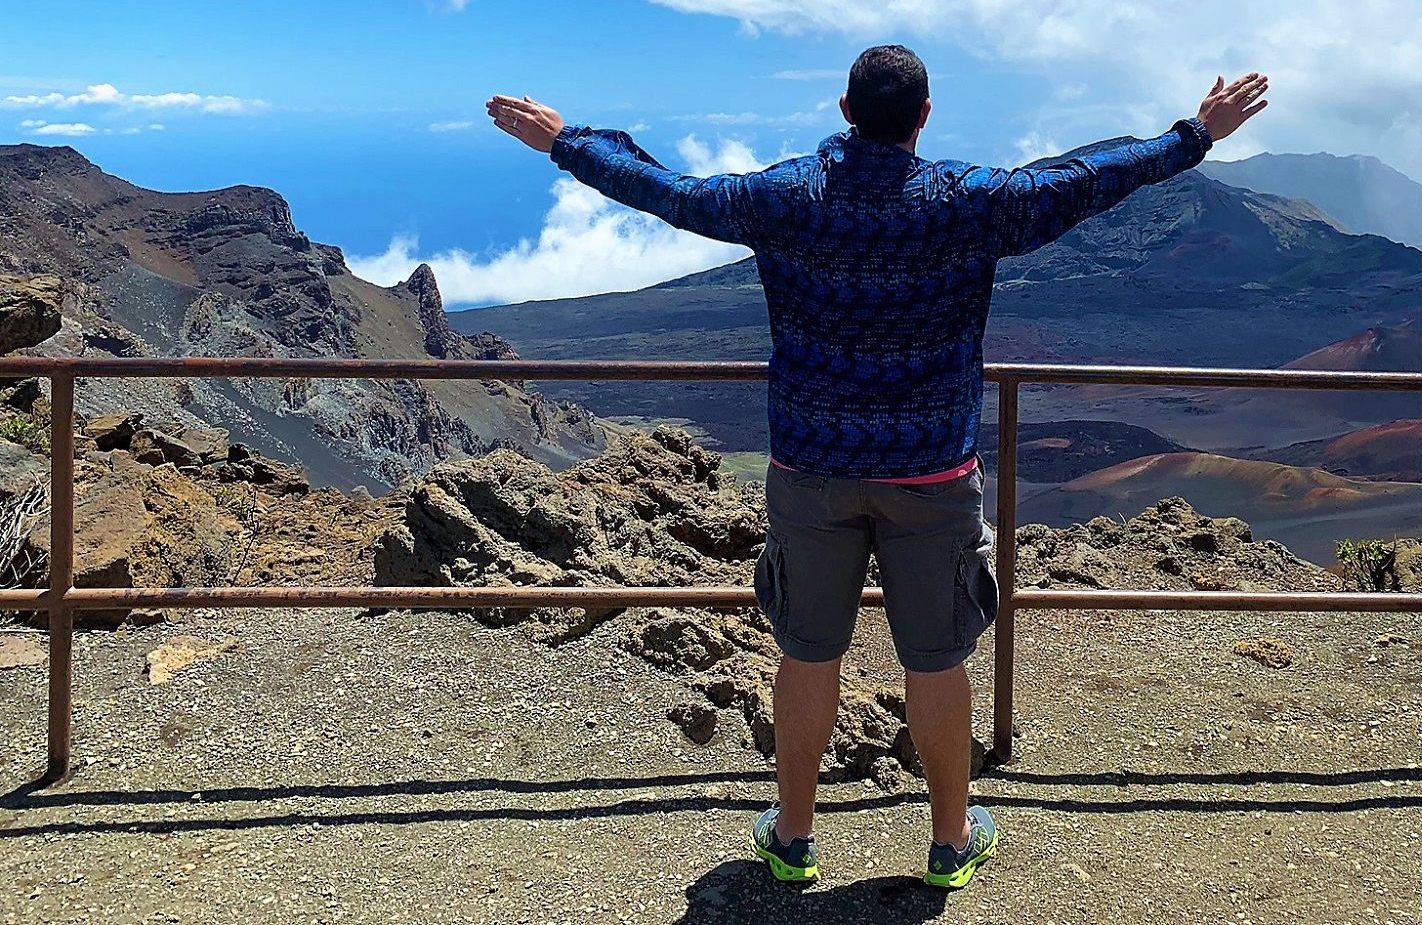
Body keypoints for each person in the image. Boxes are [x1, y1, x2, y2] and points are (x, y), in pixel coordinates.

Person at [487, 48, 1269, 889]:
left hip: (810, 471)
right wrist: (1196, 134)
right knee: (935, 658)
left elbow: (670, 192)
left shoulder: (785, 197)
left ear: (845, 107)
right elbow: (1084, 178)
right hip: (931, 475)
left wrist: (567, 142)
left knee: (808, 653)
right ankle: (950, 839)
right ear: (924, 115)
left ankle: (792, 836)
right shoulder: (968, 203)